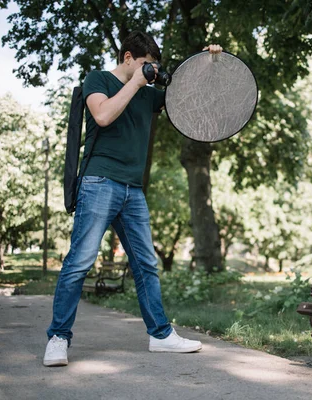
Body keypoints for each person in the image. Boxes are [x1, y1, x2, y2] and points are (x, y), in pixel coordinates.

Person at [43, 31, 223, 367]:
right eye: (145, 65)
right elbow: (103, 116)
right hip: (99, 182)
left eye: (153, 68)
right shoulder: (98, 79)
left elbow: (191, 96)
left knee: (146, 265)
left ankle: (161, 335)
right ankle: (58, 337)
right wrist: (138, 83)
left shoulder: (148, 94)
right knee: (79, 263)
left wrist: (208, 64)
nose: (151, 72)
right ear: (128, 58)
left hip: (132, 190)